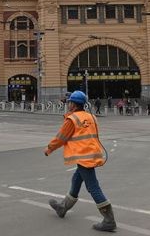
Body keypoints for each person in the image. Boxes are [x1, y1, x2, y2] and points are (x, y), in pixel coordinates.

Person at [44, 90, 116, 232]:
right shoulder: (91, 117)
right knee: (76, 180)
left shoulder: (72, 119)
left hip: (83, 157)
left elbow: (61, 138)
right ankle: (62, 208)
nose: (68, 104)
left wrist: (49, 149)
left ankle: (109, 220)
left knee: (93, 187)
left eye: (69, 101)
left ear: (73, 105)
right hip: (92, 154)